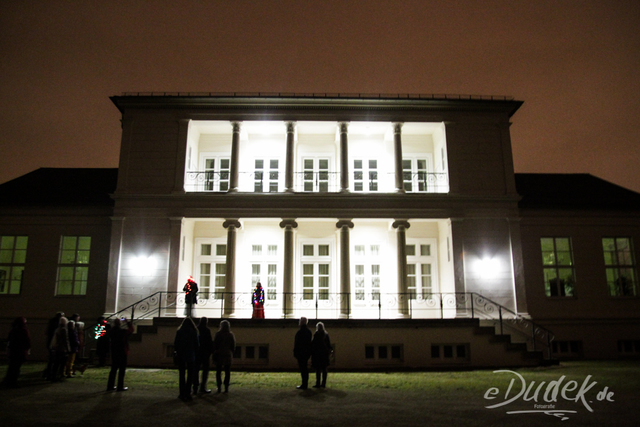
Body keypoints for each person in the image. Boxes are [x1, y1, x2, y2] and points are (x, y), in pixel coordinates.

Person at [174, 317, 199, 401]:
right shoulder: (193, 332)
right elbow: (196, 345)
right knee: (190, 375)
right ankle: (188, 393)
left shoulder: (180, 331)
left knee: (182, 374)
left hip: (181, 355)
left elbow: (176, 344)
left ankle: (182, 393)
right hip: (190, 355)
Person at [2, 317, 31, 388]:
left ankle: (8, 381)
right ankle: (12, 382)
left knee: (12, 367)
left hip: (13, 352)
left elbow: (9, 340)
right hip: (20, 352)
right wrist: (27, 349)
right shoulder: (24, 331)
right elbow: (27, 341)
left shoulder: (13, 330)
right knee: (16, 368)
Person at [107, 317, 134, 392]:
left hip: (114, 351)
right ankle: (120, 386)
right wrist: (127, 322)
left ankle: (110, 386)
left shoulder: (111, 331)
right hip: (122, 351)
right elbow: (131, 330)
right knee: (122, 370)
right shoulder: (122, 331)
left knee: (113, 369)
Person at [212, 320, 236, 393]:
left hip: (219, 354)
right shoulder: (230, 335)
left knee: (218, 371)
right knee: (227, 371)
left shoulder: (218, 334)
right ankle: (226, 387)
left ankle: (219, 387)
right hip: (227, 354)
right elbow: (233, 345)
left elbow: (215, 344)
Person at [194, 317, 213, 394]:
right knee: (205, 371)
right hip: (205, 353)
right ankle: (202, 387)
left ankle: (195, 387)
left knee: (196, 370)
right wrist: (210, 352)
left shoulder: (196, 329)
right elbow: (209, 342)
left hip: (197, 352)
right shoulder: (207, 330)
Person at [293, 316, 312, 390]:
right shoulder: (308, 331)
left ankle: (304, 384)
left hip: (301, 352)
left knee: (303, 368)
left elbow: (297, 343)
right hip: (306, 352)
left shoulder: (300, 332)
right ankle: (305, 383)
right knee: (305, 368)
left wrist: (295, 351)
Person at [311, 322, 332, 388]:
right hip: (324, 354)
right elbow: (329, 344)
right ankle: (323, 383)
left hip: (317, 354)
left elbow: (313, 344)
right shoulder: (326, 334)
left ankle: (318, 383)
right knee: (324, 369)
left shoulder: (316, 334)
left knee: (318, 370)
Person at [43, 311, 64, 379]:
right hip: (54, 344)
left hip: (51, 343)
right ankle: (50, 374)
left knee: (52, 359)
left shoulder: (52, 323)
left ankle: (49, 373)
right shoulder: (57, 326)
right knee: (54, 360)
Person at [49, 316, 70, 381]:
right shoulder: (63, 329)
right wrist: (68, 348)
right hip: (61, 348)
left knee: (56, 363)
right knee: (62, 363)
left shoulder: (58, 329)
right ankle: (59, 376)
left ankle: (53, 376)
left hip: (56, 348)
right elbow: (65, 340)